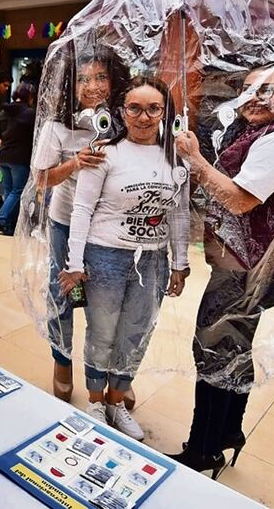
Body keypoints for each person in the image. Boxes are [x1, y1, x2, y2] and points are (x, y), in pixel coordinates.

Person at [172, 61, 274, 478]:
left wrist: (196, 159)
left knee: (212, 353)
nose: (254, 97)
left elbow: (239, 200)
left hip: (247, 271)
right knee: (233, 349)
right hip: (254, 265)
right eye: (249, 89)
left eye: (268, 90)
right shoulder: (264, 133)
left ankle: (203, 450)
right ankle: (229, 431)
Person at [58, 76, 190, 440]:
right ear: (121, 111)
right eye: (135, 108)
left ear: (165, 112)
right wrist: (75, 262)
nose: (144, 117)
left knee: (135, 334)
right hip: (105, 257)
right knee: (102, 333)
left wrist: (179, 261)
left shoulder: (178, 158)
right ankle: (97, 402)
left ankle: (117, 402)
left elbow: (179, 214)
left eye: (153, 108)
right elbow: (81, 210)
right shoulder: (104, 154)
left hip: (152, 261)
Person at [31, 50, 128, 404]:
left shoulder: (126, 118)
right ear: (71, 85)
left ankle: (112, 372)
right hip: (66, 221)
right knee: (64, 293)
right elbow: (41, 179)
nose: (92, 87)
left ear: (115, 81)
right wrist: (74, 164)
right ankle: (62, 359)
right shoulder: (58, 126)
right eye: (83, 79)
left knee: (111, 300)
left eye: (100, 77)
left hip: (111, 227)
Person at [0, 82, 36, 235]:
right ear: (29, 96)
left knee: (9, 190)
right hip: (20, 157)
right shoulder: (30, 114)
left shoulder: (3, 113)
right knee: (18, 191)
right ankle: (2, 219)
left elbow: (1, 133)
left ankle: (9, 224)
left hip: (3, 155)